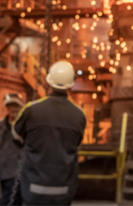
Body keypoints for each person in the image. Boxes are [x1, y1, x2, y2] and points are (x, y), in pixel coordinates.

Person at [12, 61, 86, 206]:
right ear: (71, 85)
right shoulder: (79, 115)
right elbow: (77, 145)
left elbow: (16, 137)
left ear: (48, 83)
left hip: (33, 189)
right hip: (64, 190)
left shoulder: (31, 110)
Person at [0, 94, 24, 206]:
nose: (13, 109)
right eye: (10, 106)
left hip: (15, 172)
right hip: (2, 169)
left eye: (16, 105)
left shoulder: (25, 127)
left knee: (9, 201)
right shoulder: (1, 125)